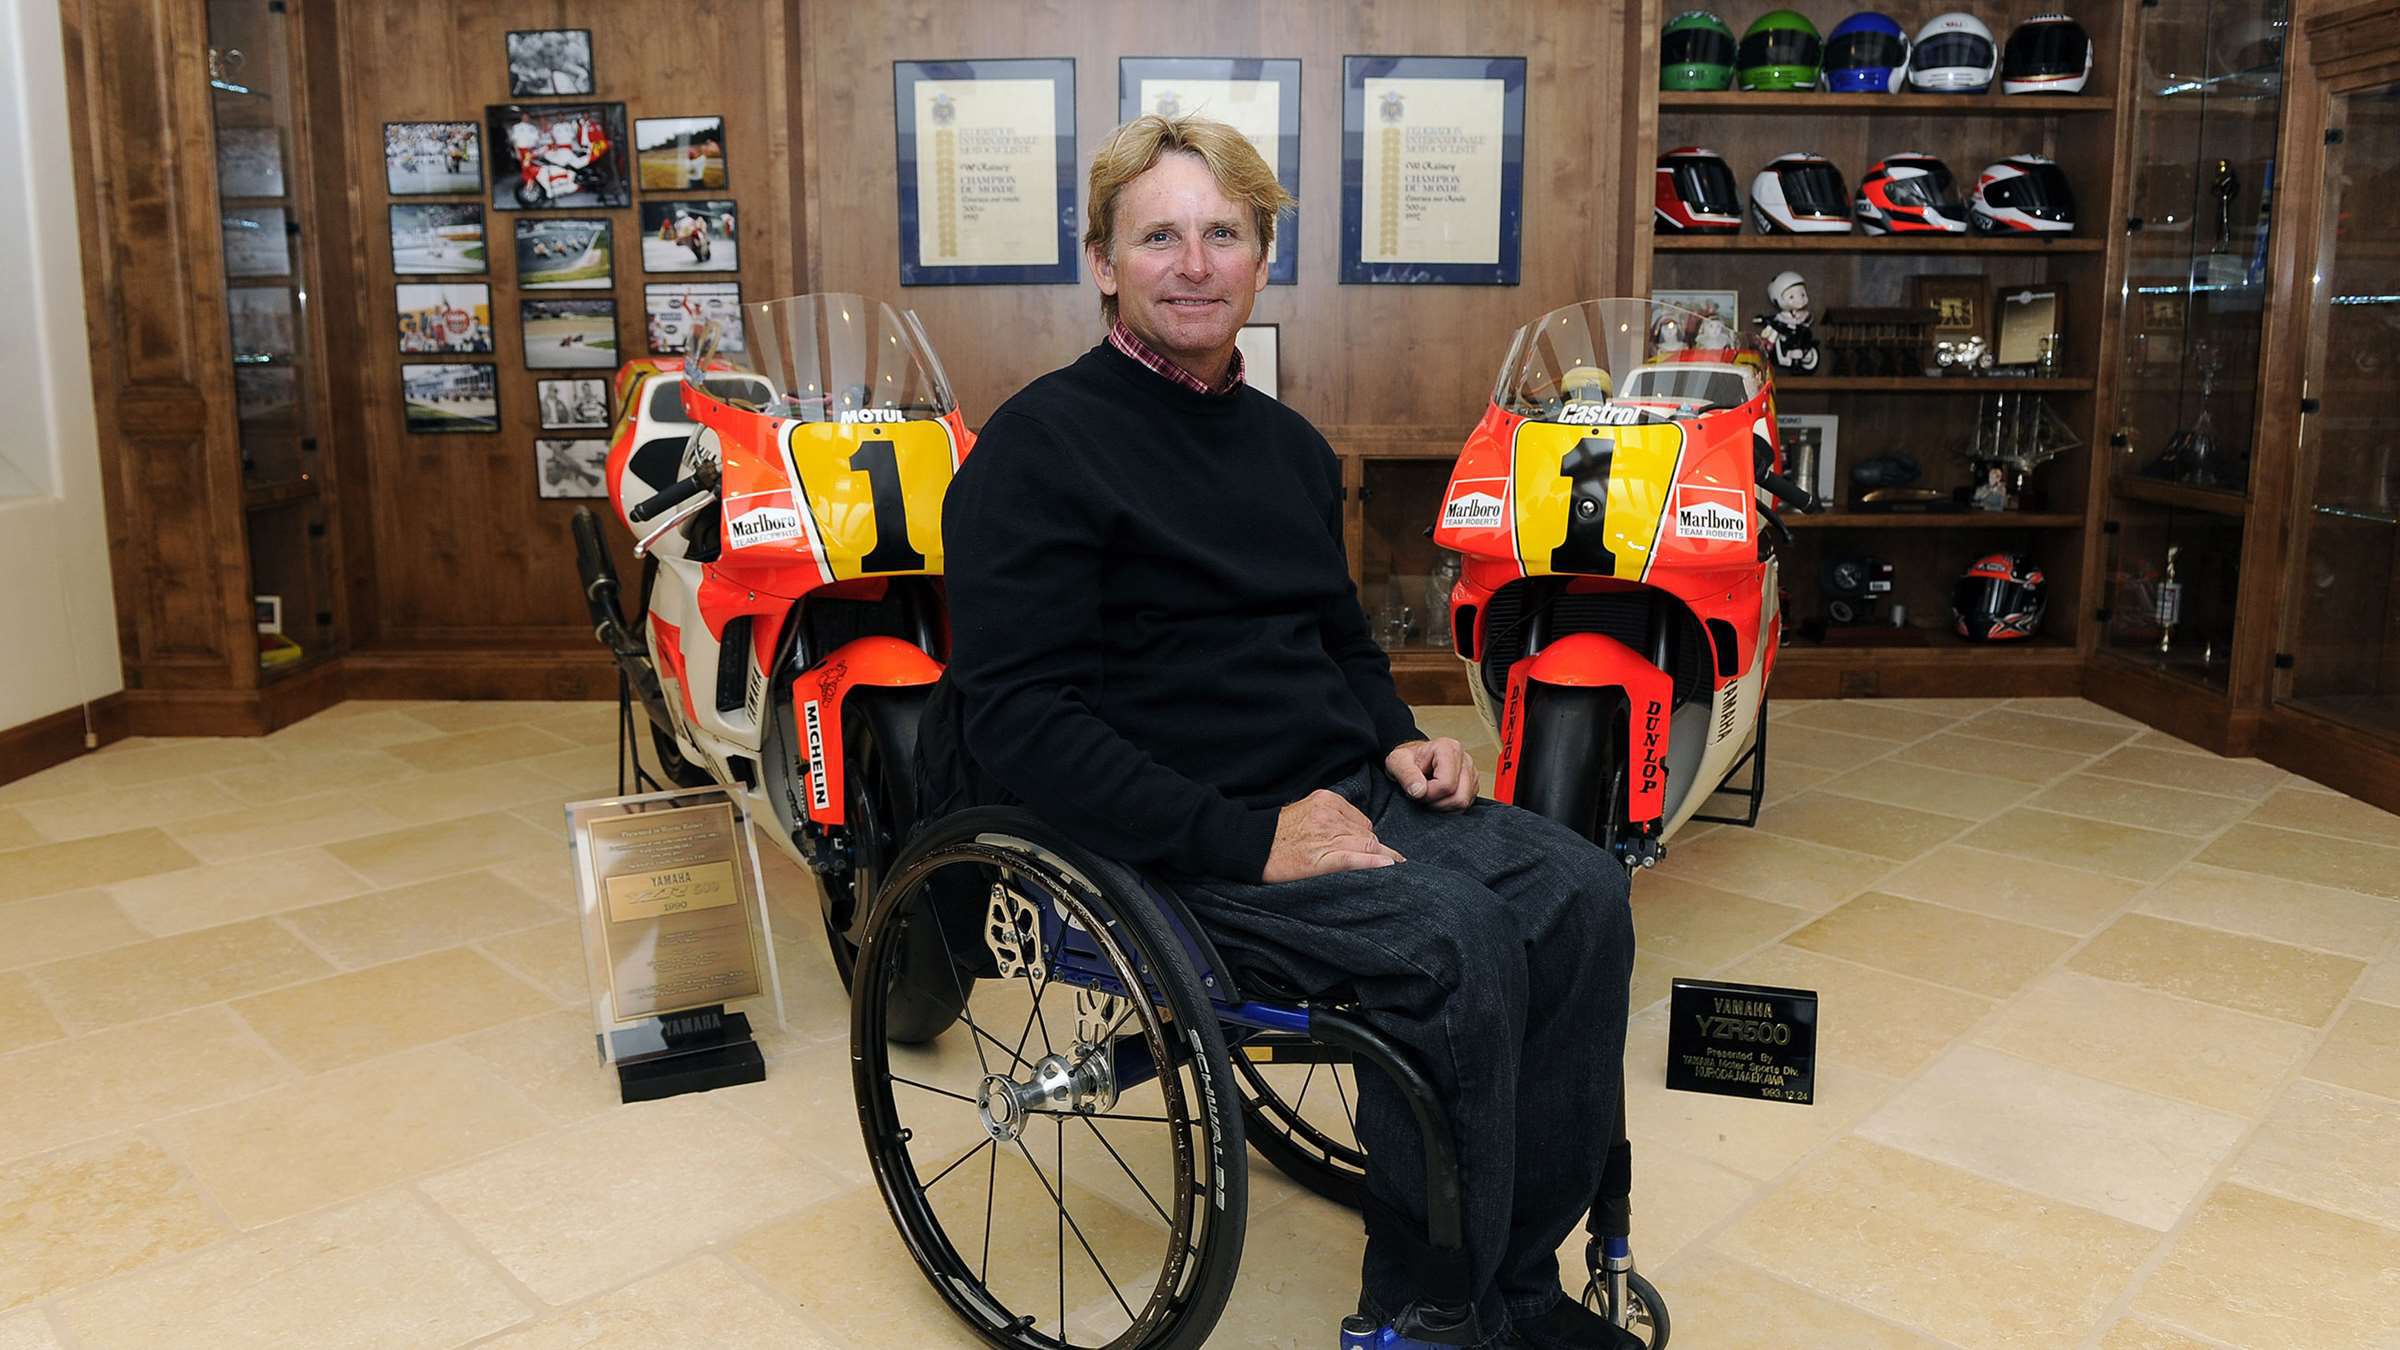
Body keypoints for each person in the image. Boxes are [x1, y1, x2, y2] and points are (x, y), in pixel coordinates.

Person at [928, 114, 1639, 1350]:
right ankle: (1428, 1313)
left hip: (1336, 791)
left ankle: (1515, 1289)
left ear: (1261, 259)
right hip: (1169, 839)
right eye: (1159, 236)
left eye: (1224, 233)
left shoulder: (1290, 449)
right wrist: (1250, 841)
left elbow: (1338, 640)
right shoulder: (1035, 451)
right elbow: (1022, 723)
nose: (1194, 262)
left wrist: (1398, 734)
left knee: (1582, 891)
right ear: (1102, 262)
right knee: (1453, 937)